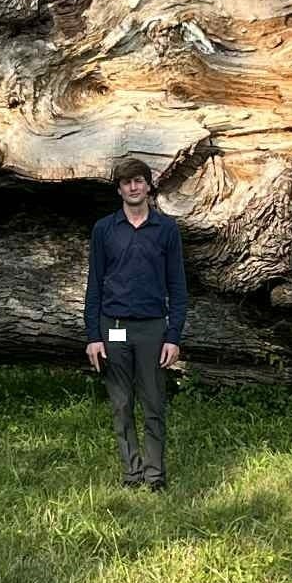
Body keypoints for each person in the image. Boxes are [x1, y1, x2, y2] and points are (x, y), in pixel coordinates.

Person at [84, 157, 187, 490]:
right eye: (127, 182)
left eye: (139, 181)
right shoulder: (104, 230)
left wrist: (173, 337)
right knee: (121, 404)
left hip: (153, 329)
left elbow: (178, 288)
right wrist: (93, 337)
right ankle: (132, 473)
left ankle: (155, 476)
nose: (133, 187)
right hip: (113, 327)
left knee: (154, 404)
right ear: (119, 189)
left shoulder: (166, 229)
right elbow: (94, 286)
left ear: (148, 185)